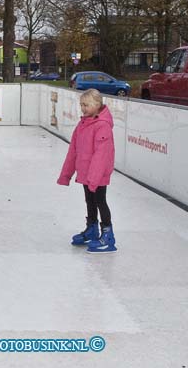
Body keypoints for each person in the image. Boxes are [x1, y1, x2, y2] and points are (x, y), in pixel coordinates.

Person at [57, 88, 117, 253]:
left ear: (97, 104)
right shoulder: (82, 124)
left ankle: (108, 236)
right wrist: (66, 175)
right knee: (89, 202)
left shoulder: (102, 126)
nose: (83, 108)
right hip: (85, 173)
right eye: (81, 105)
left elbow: (102, 155)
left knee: (100, 202)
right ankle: (92, 229)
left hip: (97, 175)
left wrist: (94, 178)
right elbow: (73, 151)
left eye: (86, 105)